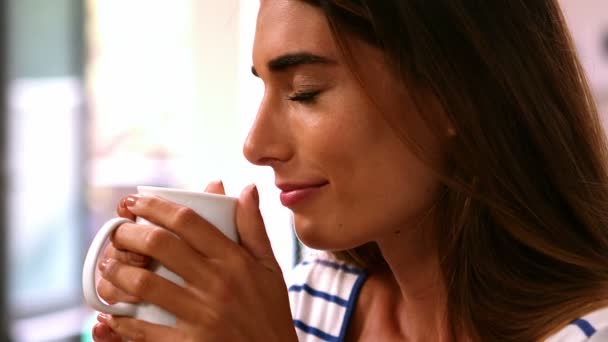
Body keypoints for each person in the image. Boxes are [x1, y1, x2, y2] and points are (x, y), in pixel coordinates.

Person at [90, 0, 608, 341]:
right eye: (264, 90)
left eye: (304, 92)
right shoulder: (312, 303)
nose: (255, 145)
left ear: (454, 97)